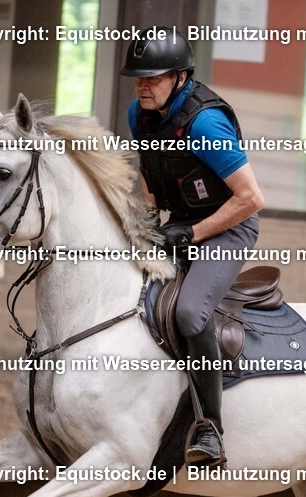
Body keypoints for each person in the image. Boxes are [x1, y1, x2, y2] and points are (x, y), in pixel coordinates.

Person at [121, 26, 265, 468]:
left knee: (188, 312)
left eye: (153, 78)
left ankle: (210, 429)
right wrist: (148, 222)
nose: (143, 87)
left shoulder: (205, 124)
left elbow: (251, 198)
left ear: (180, 77)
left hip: (229, 227)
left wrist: (193, 233)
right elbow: (150, 174)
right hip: (180, 224)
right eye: (139, 78)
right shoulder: (139, 114)